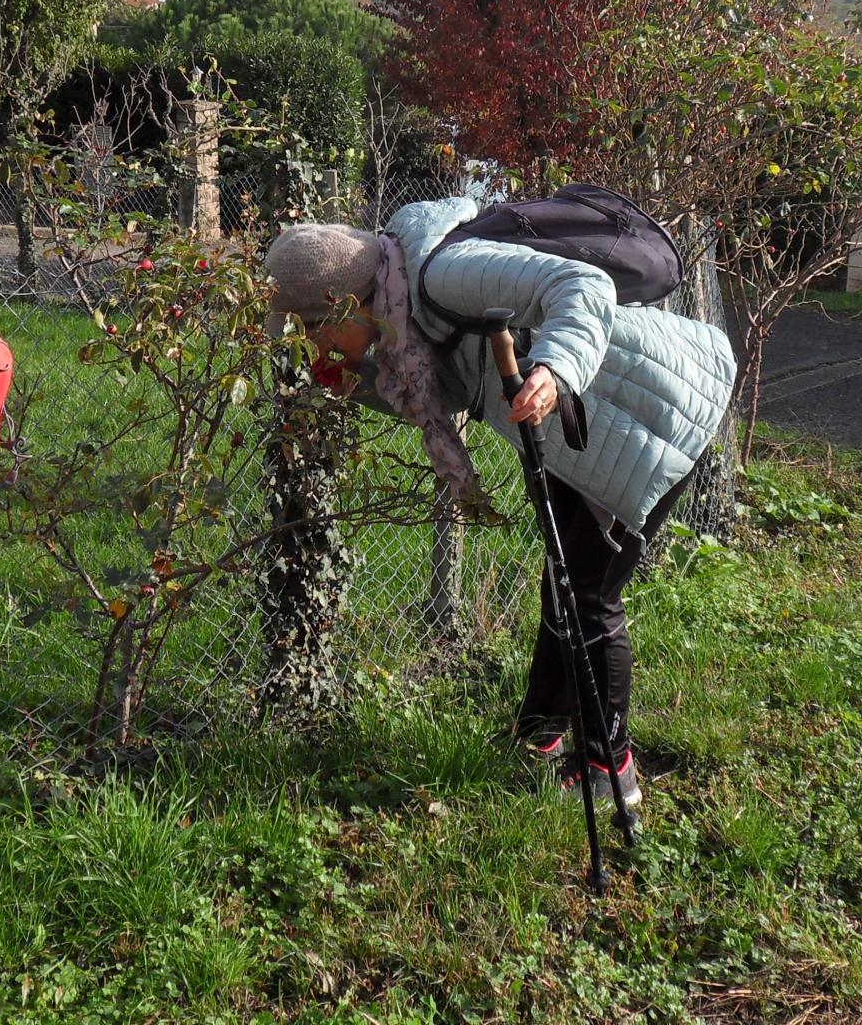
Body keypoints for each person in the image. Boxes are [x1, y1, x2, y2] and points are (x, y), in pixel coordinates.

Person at [264, 196, 737, 809]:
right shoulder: (403, 315)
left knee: (590, 596)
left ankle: (608, 769)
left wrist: (557, 368)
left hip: (649, 407)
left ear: (342, 304)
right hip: (576, 428)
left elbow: (581, 282)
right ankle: (540, 734)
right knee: (563, 586)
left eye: (307, 328)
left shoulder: (442, 274)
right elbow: (451, 388)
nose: (307, 343)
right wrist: (349, 384)